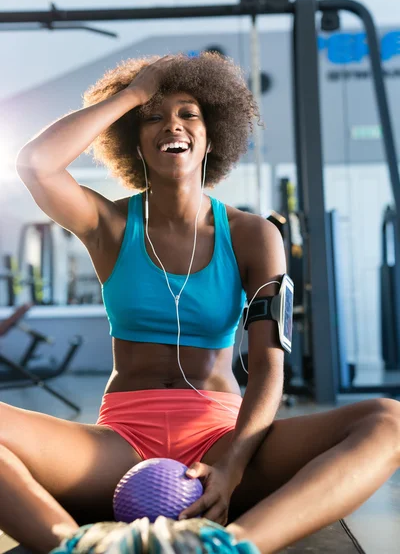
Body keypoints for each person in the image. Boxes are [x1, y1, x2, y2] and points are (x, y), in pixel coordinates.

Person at [4, 52, 399, 554]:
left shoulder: (254, 235)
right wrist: (129, 95)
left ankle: (230, 545)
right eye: (153, 116)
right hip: (123, 440)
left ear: (211, 134)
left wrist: (233, 464)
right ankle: (75, 547)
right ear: (134, 141)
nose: (173, 124)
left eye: (188, 113)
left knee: (389, 421)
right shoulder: (108, 225)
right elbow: (35, 163)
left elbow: (268, 366)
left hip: (223, 432)